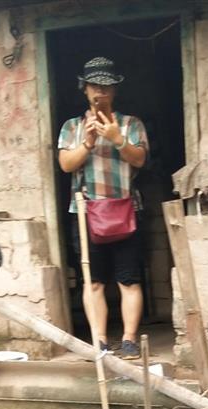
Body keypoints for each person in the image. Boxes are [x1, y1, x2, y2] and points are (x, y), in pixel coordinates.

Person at [57, 56, 149, 359]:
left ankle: (129, 340)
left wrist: (117, 139)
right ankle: (99, 342)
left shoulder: (131, 124)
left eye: (106, 87)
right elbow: (65, 165)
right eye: (95, 86)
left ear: (115, 91)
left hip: (125, 210)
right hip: (85, 212)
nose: (101, 92)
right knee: (93, 281)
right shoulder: (72, 127)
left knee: (129, 278)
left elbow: (139, 159)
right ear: (84, 89)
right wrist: (87, 143)